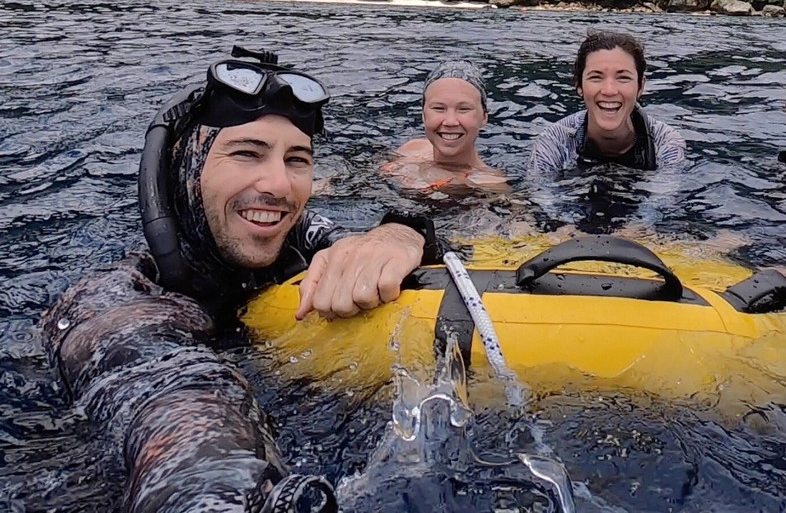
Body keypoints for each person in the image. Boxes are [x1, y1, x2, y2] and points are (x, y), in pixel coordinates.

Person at [42, 47, 444, 513]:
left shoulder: (293, 238)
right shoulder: (114, 309)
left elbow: (368, 237)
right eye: (247, 154)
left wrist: (399, 234)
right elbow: (185, 434)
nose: (279, 185)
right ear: (187, 168)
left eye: (296, 160)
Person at [527, 31, 685, 176]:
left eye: (623, 78)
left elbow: (666, 195)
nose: (609, 91)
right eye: (596, 77)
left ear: (640, 86)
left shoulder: (665, 142)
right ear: (579, 86)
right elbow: (539, 193)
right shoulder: (553, 141)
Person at [381, 60, 507, 193]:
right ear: (423, 115)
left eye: (464, 109)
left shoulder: (489, 185)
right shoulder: (410, 150)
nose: (450, 122)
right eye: (439, 108)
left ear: (484, 117)